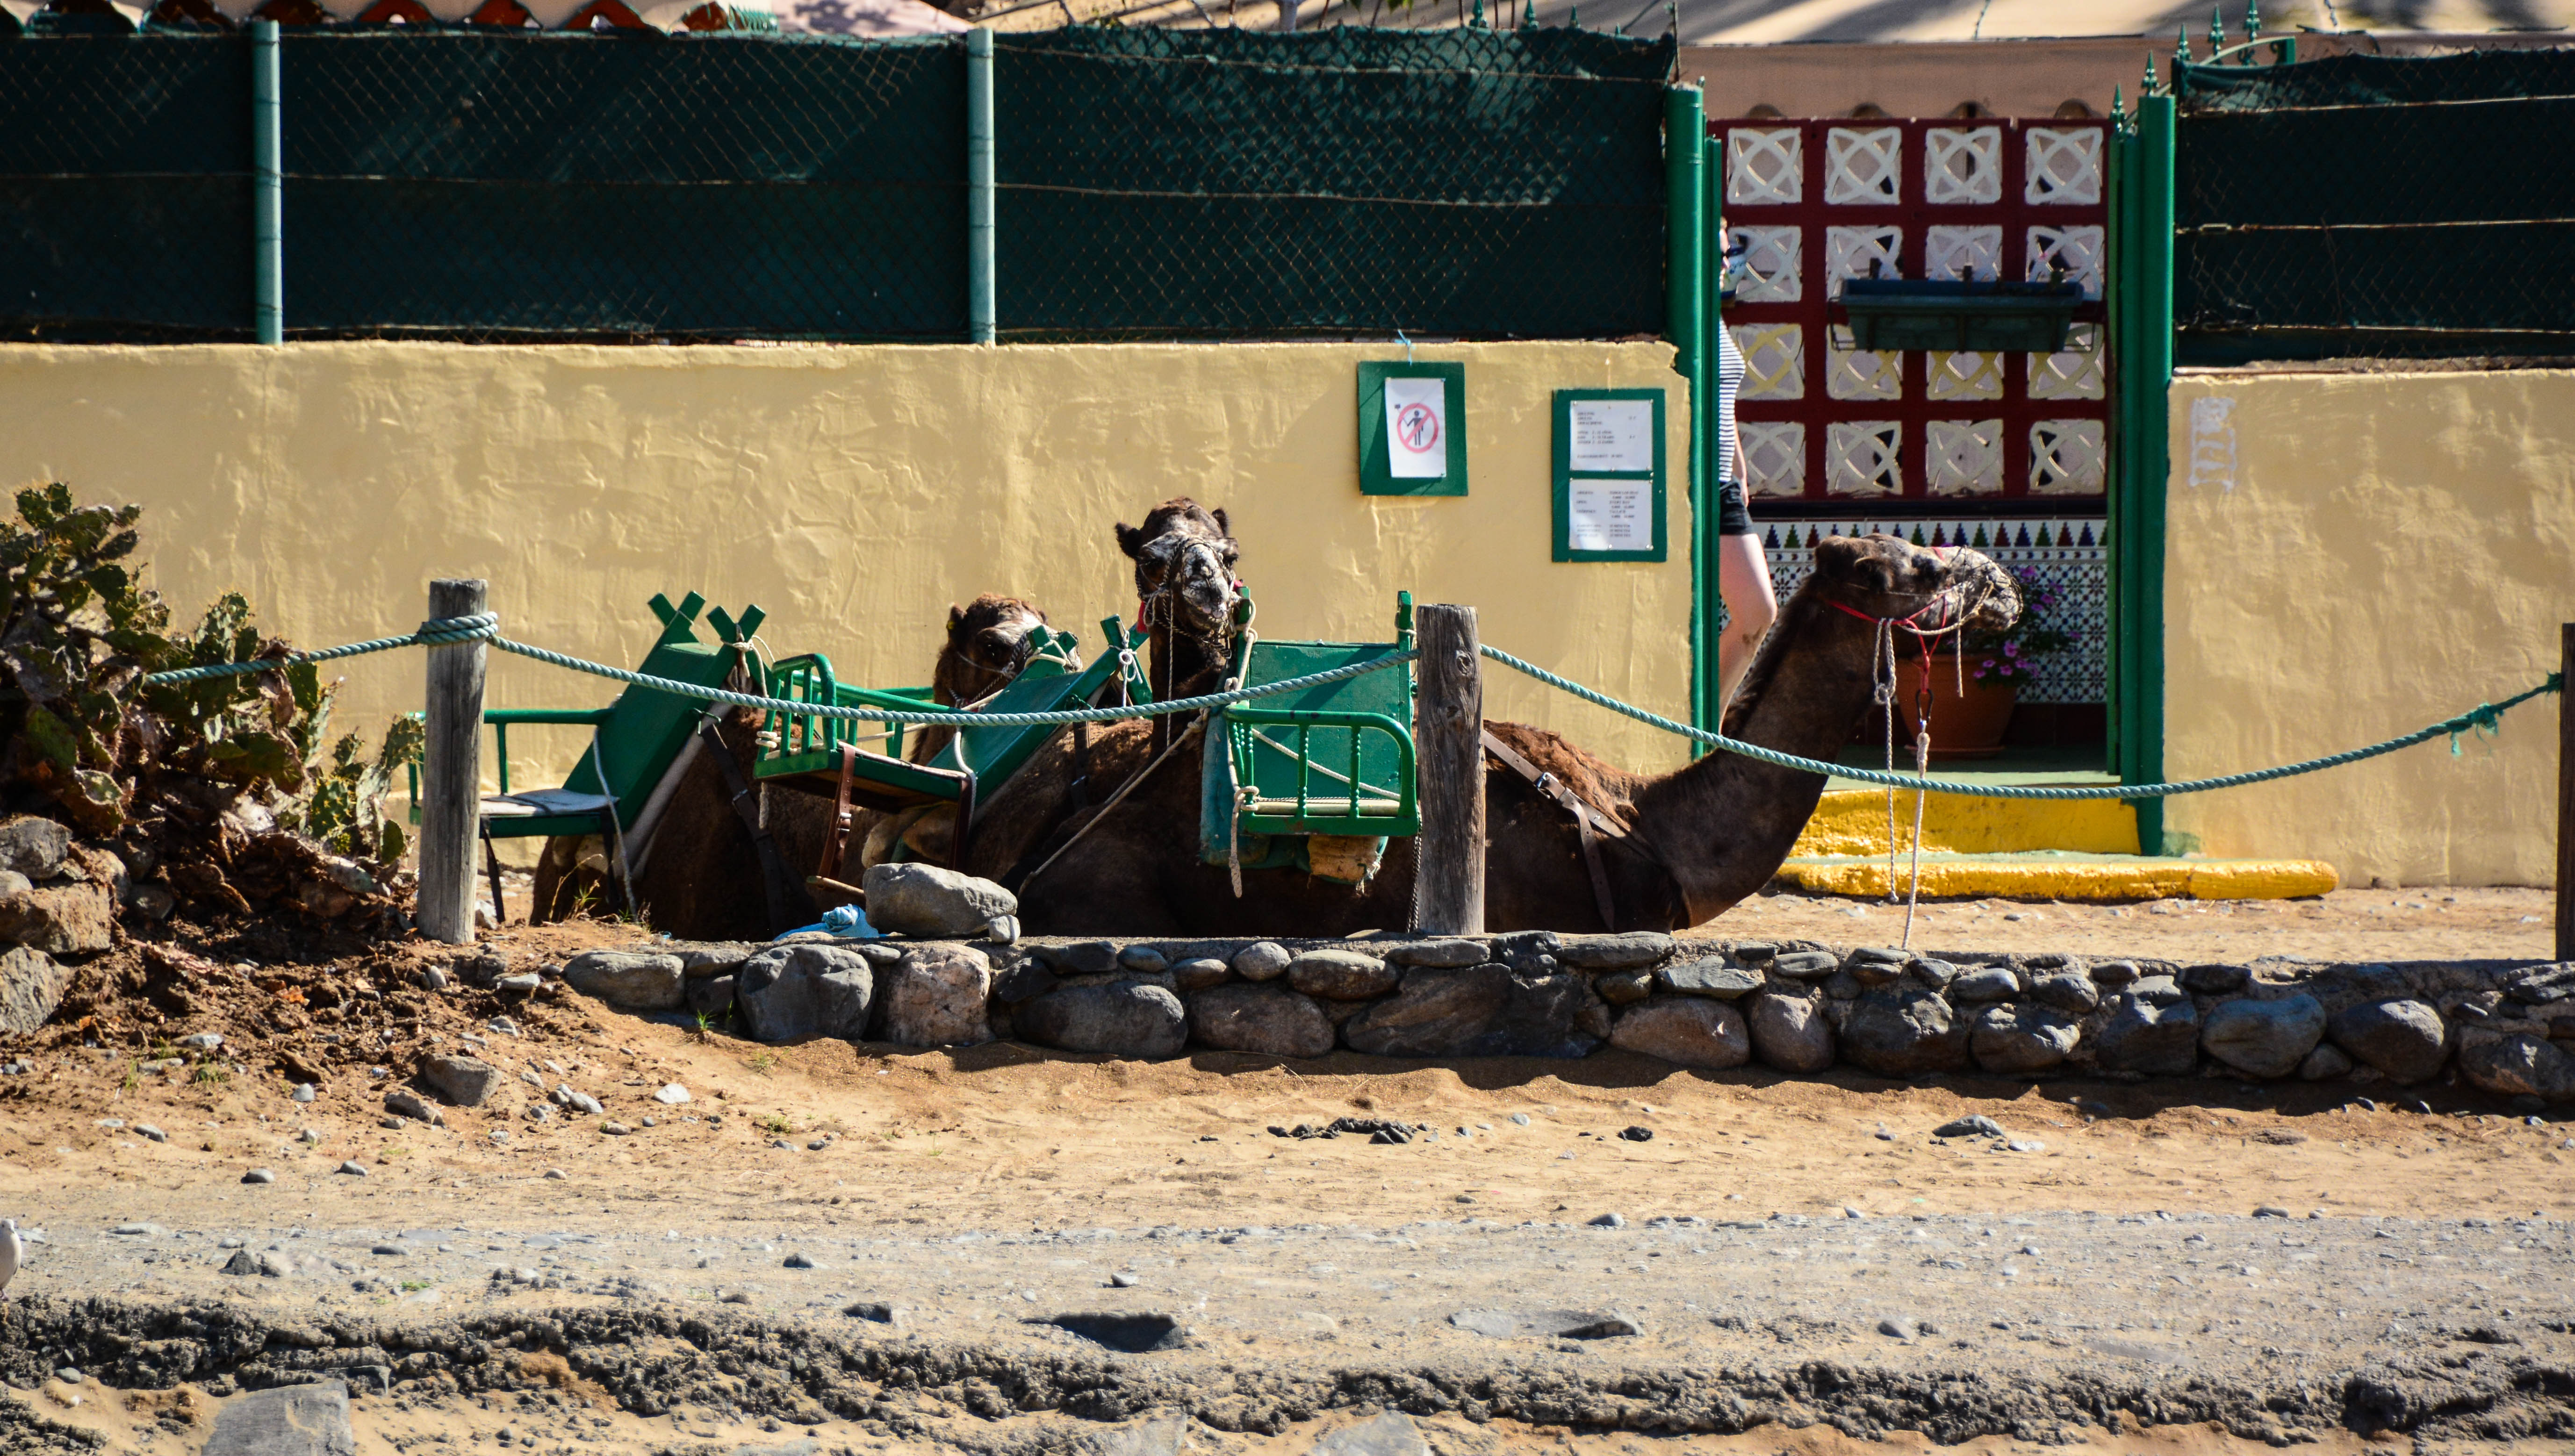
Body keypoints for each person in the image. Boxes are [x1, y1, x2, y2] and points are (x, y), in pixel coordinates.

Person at [1711, 245, 1778, 712]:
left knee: (1758, 612)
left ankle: (1704, 726)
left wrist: (1739, 466)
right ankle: (1699, 727)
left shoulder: (1713, 314)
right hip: (1691, 488)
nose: (1726, 264)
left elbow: (1725, 398)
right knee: (1754, 610)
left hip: (1723, 486)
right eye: (1717, 252)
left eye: (1728, 253)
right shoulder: (1679, 311)